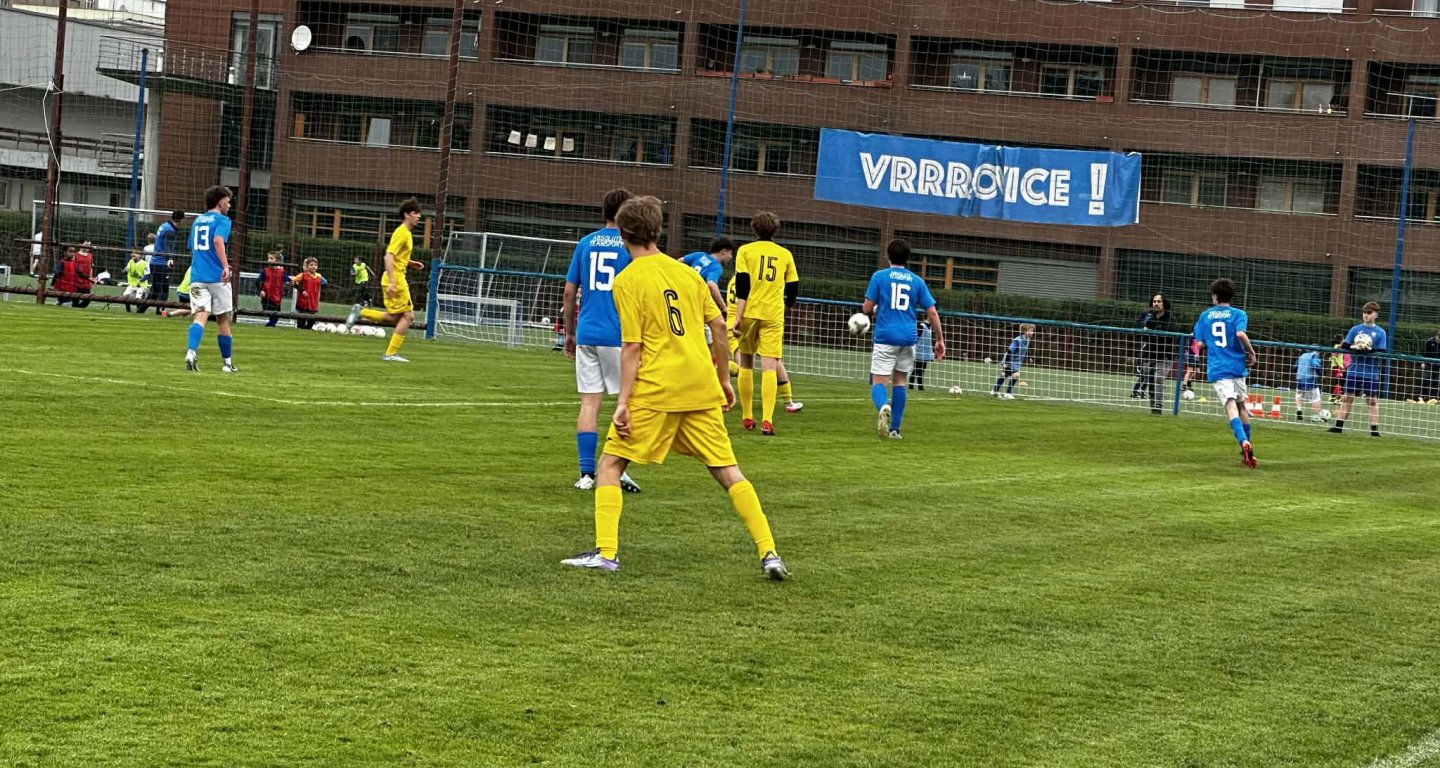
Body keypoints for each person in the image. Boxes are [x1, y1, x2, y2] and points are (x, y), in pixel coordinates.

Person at [560, 195, 788, 580]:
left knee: (610, 465)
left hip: (656, 389)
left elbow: (632, 346)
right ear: (657, 230)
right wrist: (721, 379)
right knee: (729, 472)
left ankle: (607, 553)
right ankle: (769, 552)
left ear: (625, 234)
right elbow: (718, 326)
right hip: (699, 386)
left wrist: (624, 402)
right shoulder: (688, 273)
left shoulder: (628, 281)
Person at [559, 189, 641, 493]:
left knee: (589, 403)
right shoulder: (631, 246)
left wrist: (570, 333)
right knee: (629, 403)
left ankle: (586, 474)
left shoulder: (585, 242)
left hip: (587, 333)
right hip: (619, 335)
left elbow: (569, 292)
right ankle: (616, 470)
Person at [862, 239, 945, 439]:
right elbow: (932, 312)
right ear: (908, 258)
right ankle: (895, 430)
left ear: (887, 256)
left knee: (878, 381)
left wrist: (875, 308)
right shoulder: (917, 281)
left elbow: (866, 308)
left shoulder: (879, 276)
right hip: (908, 338)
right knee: (900, 382)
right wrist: (940, 340)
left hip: (885, 336)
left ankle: (883, 407)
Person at [731, 212, 800, 435]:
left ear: (754, 229)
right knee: (769, 366)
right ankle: (768, 420)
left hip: (750, 312)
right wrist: (785, 308)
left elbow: (742, 286)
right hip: (773, 315)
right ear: (775, 230)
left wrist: (738, 317)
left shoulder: (745, 251)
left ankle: (747, 416)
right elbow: (793, 290)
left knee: (746, 364)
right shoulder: (785, 254)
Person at [347, 198, 426, 361]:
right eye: (415, 213)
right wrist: (392, 281)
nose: (419, 216)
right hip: (396, 279)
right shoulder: (402, 232)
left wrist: (410, 263)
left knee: (395, 318)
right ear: (406, 215)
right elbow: (388, 256)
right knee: (408, 317)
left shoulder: (407, 233)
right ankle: (390, 354)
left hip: (397, 276)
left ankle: (361, 311)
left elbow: (397, 256)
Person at [1193, 277, 1258, 468]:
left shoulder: (1204, 316)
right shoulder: (1238, 314)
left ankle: (1243, 441)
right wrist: (1251, 352)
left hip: (1218, 368)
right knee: (1242, 406)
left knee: (1230, 406)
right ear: (1231, 296)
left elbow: (1200, 343)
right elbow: (1239, 333)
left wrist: (1209, 343)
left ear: (1214, 296)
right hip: (1237, 366)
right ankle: (1249, 445)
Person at [183, 186, 238, 373]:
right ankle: (227, 363)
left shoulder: (197, 221)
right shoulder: (223, 220)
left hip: (197, 276)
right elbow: (217, 240)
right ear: (220, 201)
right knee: (223, 318)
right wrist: (224, 265)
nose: (230, 205)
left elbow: (192, 248)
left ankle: (191, 352)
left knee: (200, 316)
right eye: (228, 201)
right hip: (217, 277)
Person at [1329, 301, 1387, 437]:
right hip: (1354, 370)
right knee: (1347, 398)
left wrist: (1369, 349)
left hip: (1371, 372)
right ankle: (1338, 427)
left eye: (1369, 313)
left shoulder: (1380, 332)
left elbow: (1382, 351)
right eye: (1364, 313)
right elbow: (1345, 345)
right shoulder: (1355, 329)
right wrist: (1354, 347)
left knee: (1372, 401)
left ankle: (1374, 431)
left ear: (1375, 315)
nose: (1366, 315)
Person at [1133, 293, 1180, 414]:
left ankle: (1158, 405)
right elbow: (1139, 334)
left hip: (1165, 355)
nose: (1156, 304)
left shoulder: (1171, 319)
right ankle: (1153, 405)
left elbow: (1169, 337)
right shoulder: (1148, 318)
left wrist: (1151, 333)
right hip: (1149, 354)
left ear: (1164, 304)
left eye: (1159, 302)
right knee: (1149, 379)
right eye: (1154, 302)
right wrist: (1144, 331)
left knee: (1158, 377)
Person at [151, 210, 184, 314]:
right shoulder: (170, 230)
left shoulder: (164, 225)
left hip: (154, 261)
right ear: (181, 219)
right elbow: (167, 247)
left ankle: (140, 309)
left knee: (155, 291)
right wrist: (169, 259)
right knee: (164, 290)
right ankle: (160, 310)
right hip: (161, 263)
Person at [992, 324, 1035, 399]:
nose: (1032, 333)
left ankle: (995, 390)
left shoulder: (1027, 340)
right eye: (1030, 331)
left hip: (1017, 362)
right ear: (1025, 331)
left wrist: (1028, 358)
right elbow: (1009, 351)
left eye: (1032, 331)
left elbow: (1026, 349)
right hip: (1010, 360)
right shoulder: (1018, 340)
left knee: (1004, 375)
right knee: (1016, 375)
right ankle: (1008, 393)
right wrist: (1007, 362)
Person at [292, 257, 326, 330]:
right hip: (303, 302)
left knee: (311, 321)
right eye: (311, 265)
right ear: (307, 266)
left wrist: (316, 291)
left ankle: (307, 330)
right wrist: (302, 290)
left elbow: (325, 283)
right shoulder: (302, 275)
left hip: (313, 302)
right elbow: (292, 282)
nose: (314, 266)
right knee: (301, 321)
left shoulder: (319, 276)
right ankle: (300, 330)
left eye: (315, 265)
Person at [1294, 346, 1326, 422]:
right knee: (1316, 398)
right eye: (1319, 352)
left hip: (1299, 378)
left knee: (1299, 395)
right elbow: (1315, 365)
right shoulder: (1314, 356)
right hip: (1310, 379)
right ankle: (1315, 416)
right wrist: (1321, 374)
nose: (1319, 354)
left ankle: (1299, 409)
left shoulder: (1301, 356)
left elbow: (1295, 368)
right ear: (1316, 351)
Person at [258, 249, 288, 327]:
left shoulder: (281, 271)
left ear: (277, 260)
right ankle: (270, 325)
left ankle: (270, 325)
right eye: (268, 258)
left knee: (276, 315)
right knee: (270, 312)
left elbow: (287, 279)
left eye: (271, 258)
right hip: (267, 296)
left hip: (277, 296)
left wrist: (292, 282)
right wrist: (261, 290)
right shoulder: (265, 271)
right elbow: (258, 281)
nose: (269, 260)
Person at [910, 318, 934, 391]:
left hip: (926, 353)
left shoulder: (931, 327)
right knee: (917, 370)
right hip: (919, 352)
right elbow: (915, 338)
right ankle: (916, 387)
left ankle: (917, 387)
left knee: (922, 370)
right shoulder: (921, 326)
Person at [72, 241, 95, 308]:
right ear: (80, 245)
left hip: (86, 282)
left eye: (89, 245)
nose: (88, 246)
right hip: (77, 282)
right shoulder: (76, 255)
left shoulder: (90, 256)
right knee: (75, 300)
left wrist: (91, 279)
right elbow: (75, 269)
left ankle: (79, 309)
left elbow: (91, 268)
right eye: (86, 244)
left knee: (87, 299)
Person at [1421, 329, 1440, 403]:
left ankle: (1433, 398)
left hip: (1438, 365)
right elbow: (1424, 352)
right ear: (1436, 337)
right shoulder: (1429, 341)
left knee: (1436, 381)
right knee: (1425, 379)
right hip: (1428, 364)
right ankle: (1423, 397)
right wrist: (1423, 362)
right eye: (1438, 339)